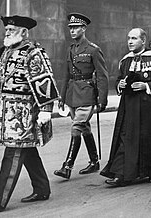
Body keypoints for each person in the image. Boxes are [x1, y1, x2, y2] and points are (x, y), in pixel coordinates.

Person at [0, 15, 59, 211]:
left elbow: (45, 82)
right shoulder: (4, 52)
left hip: (25, 112)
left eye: (11, 30)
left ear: (24, 32)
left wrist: (46, 110)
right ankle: (42, 189)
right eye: (6, 30)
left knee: (13, 151)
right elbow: (1, 79)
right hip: (7, 110)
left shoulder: (34, 53)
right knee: (27, 149)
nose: (7, 33)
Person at [100, 28, 151, 187]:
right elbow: (118, 80)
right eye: (129, 38)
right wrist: (120, 84)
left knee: (149, 140)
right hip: (129, 108)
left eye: (134, 38)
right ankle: (121, 174)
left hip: (149, 108)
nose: (130, 41)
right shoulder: (125, 61)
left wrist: (146, 85)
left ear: (143, 41)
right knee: (126, 138)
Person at [54, 13, 109, 179]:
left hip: (86, 94)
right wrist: (62, 98)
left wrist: (102, 100)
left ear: (84, 28)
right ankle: (94, 162)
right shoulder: (70, 49)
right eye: (70, 27)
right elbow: (65, 75)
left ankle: (67, 166)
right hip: (72, 94)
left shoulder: (93, 49)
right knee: (83, 127)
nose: (72, 30)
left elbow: (102, 76)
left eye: (76, 27)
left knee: (77, 127)